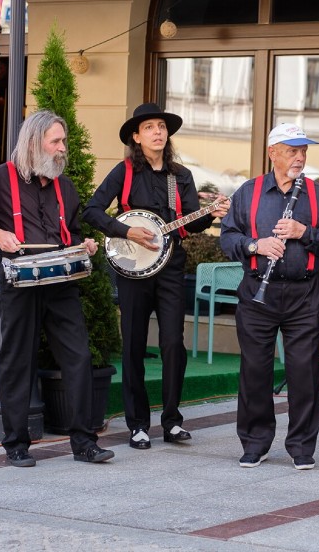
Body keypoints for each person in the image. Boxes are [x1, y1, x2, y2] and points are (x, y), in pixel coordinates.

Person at [0, 110, 114, 466]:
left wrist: (82, 245)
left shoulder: (65, 186)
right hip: (20, 284)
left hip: (60, 284)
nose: (62, 149)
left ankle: (84, 442)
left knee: (79, 357)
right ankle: (15, 444)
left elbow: (70, 233)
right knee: (16, 360)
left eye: (64, 142)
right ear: (34, 143)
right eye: (55, 142)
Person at [83, 103, 230, 450]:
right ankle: (137, 424)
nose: (157, 132)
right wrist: (124, 230)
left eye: (161, 126)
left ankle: (172, 421)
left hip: (172, 266)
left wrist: (211, 213)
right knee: (133, 345)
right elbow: (90, 209)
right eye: (149, 127)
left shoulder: (180, 176)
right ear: (136, 136)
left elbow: (192, 222)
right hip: (133, 269)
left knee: (172, 344)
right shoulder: (124, 172)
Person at [219, 123, 319, 470]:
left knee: (304, 371)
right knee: (255, 369)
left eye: (303, 150)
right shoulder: (248, 192)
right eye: (292, 150)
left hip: (305, 294)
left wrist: (305, 233)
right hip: (258, 291)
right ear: (273, 152)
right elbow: (227, 238)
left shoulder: (317, 195)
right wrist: (255, 245)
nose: (300, 157)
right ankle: (255, 442)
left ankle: (302, 447)